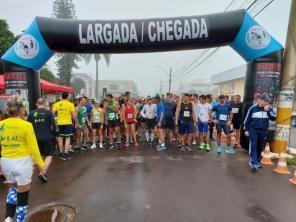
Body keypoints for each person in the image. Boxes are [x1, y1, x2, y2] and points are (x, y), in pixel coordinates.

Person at [0, 96, 45, 222]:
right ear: (21, 110)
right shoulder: (26, 125)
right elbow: (34, 148)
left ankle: (8, 218)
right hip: (23, 162)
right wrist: (42, 165)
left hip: (6, 162)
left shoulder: (1, 125)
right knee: (23, 194)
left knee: (13, 188)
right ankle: (20, 220)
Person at [27, 98, 58, 183]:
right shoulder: (48, 112)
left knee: (39, 156)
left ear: (36, 104)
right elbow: (54, 126)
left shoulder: (31, 113)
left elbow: (28, 126)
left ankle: (42, 173)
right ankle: (43, 172)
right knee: (49, 155)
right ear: (44, 104)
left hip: (35, 138)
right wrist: (57, 135)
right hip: (47, 137)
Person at [244, 95, 276, 172]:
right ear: (260, 100)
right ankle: (253, 162)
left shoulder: (269, 108)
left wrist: (268, 111)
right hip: (253, 129)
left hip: (263, 130)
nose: (266, 102)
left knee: (260, 146)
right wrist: (246, 130)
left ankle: (257, 161)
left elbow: (274, 118)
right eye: (265, 101)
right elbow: (246, 120)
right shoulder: (253, 108)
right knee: (253, 145)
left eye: (267, 101)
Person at [52, 93, 78, 161]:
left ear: (61, 96)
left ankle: (61, 153)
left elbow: (52, 114)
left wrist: (53, 123)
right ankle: (65, 153)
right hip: (68, 123)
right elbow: (74, 115)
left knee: (60, 138)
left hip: (59, 123)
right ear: (68, 97)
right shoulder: (70, 104)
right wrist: (77, 123)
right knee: (67, 138)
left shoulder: (56, 104)